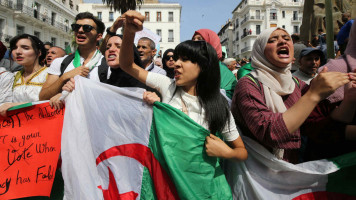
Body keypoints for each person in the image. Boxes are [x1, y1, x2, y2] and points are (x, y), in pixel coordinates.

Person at [119, 10, 248, 162]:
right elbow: (127, 65)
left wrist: (226, 152)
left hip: (202, 181)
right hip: (167, 178)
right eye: (176, 59)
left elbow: (242, 152)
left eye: (185, 59)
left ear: (204, 66)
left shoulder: (219, 104)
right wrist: (129, 32)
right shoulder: (167, 85)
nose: (176, 64)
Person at [231, 27, 353, 164]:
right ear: (260, 52)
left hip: (291, 170)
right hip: (259, 171)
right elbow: (270, 133)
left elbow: (318, 126)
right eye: (273, 40)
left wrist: (350, 99)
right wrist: (313, 95)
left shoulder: (297, 84)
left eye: (286, 38)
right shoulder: (248, 85)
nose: (282, 42)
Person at [301, 18, 356, 161]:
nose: (313, 62)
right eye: (308, 59)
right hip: (337, 165)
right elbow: (314, 128)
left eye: (316, 59)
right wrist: (349, 102)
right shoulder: (331, 73)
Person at [39, 12, 105, 101]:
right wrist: (64, 77)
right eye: (76, 27)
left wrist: (66, 96)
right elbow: (43, 97)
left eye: (87, 28)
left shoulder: (107, 65)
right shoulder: (60, 62)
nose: (80, 30)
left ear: (98, 36)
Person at [0, 34, 47, 116]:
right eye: (14, 48)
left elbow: (54, 102)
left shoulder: (49, 74)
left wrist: (16, 105)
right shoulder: (13, 76)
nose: (18, 52)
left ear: (39, 52)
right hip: (19, 125)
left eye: (25, 48)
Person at [192, 29, 237, 99]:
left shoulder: (223, 71)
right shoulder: (191, 66)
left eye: (199, 39)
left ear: (211, 43)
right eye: (193, 39)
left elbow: (230, 98)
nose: (195, 42)